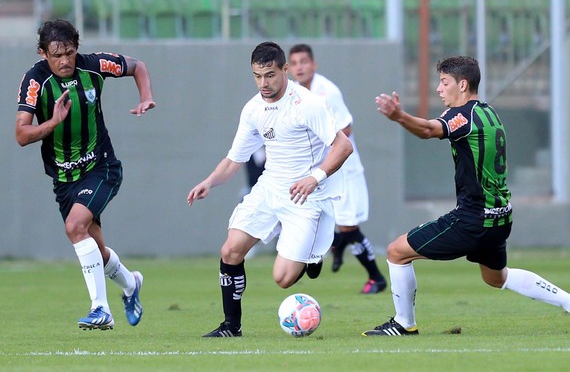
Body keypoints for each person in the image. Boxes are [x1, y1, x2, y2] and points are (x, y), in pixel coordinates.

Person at [363, 56, 570, 336]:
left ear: (463, 84)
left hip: (473, 219)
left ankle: (404, 324)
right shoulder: (489, 112)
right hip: (501, 216)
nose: (438, 89)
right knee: (496, 277)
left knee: (396, 252)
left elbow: (430, 130)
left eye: (444, 82)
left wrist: (399, 116)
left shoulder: (464, 116)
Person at [187, 41, 353, 338]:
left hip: (307, 197)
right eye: (257, 76)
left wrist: (314, 177)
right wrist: (209, 182)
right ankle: (231, 326)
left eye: (270, 75)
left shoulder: (307, 104)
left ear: (284, 70)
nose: (263, 83)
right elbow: (234, 158)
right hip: (270, 188)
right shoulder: (253, 109)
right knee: (230, 250)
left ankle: (312, 257)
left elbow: (344, 146)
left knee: (283, 279)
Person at [15, 19, 155, 330]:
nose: (65, 60)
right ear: (42, 54)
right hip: (64, 179)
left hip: (101, 167)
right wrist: (52, 123)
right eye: (56, 54)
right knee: (95, 247)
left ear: (77, 49)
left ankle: (100, 309)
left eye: (70, 52)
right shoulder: (34, 82)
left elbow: (137, 66)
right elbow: (21, 135)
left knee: (74, 226)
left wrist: (145, 96)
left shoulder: (93, 66)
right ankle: (131, 284)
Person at [288, 44, 387, 294]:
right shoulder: (294, 93)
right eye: (295, 63)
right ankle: (332, 248)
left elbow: (346, 128)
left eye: (304, 61)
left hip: (344, 168)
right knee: (322, 219)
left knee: (348, 226)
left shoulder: (327, 91)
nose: (299, 67)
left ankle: (375, 277)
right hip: (320, 170)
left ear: (314, 65)